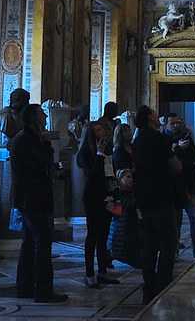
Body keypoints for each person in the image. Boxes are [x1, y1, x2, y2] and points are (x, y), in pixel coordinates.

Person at [11, 104, 67, 304]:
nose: (45, 117)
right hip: (34, 197)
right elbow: (39, 165)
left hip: (31, 197)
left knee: (29, 244)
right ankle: (43, 290)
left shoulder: (27, 139)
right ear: (34, 118)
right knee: (42, 244)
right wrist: (46, 148)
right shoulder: (28, 140)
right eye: (42, 114)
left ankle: (25, 287)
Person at [133, 107, 182, 304]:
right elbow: (175, 167)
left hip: (144, 199)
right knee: (169, 244)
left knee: (149, 246)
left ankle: (148, 287)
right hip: (162, 197)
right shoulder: (160, 139)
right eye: (154, 113)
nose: (157, 114)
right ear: (149, 118)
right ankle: (163, 286)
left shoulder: (136, 141)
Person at [76, 119, 119, 288]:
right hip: (92, 197)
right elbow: (92, 175)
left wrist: (114, 194)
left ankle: (102, 271)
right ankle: (89, 273)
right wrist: (99, 155)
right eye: (98, 130)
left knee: (104, 235)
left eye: (102, 129)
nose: (102, 133)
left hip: (106, 196)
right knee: (93, 235)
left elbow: (109, 173)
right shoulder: (85, 153)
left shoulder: (107, 150)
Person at [167, 116, 195, 257]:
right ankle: (173, 250)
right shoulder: (164, 139)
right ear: (167, 124)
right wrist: (177, 148)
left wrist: (188, 146)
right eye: (173, 123)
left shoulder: (186, 137)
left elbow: (194, 156)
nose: (176, 125)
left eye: (179, 123)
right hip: (173, 188)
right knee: (175, 223)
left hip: (189, 186)